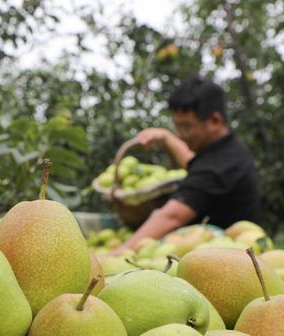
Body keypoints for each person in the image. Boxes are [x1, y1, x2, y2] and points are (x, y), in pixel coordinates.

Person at [111, 75, 261, 255]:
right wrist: (165, 137)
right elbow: (192, 163)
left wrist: (115, 254)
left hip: (225, 258)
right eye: (177, 127)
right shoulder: (227, 151)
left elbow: (172, 217)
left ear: (215, 120)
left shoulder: (217, 167)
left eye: (186, 127)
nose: (181, 135)